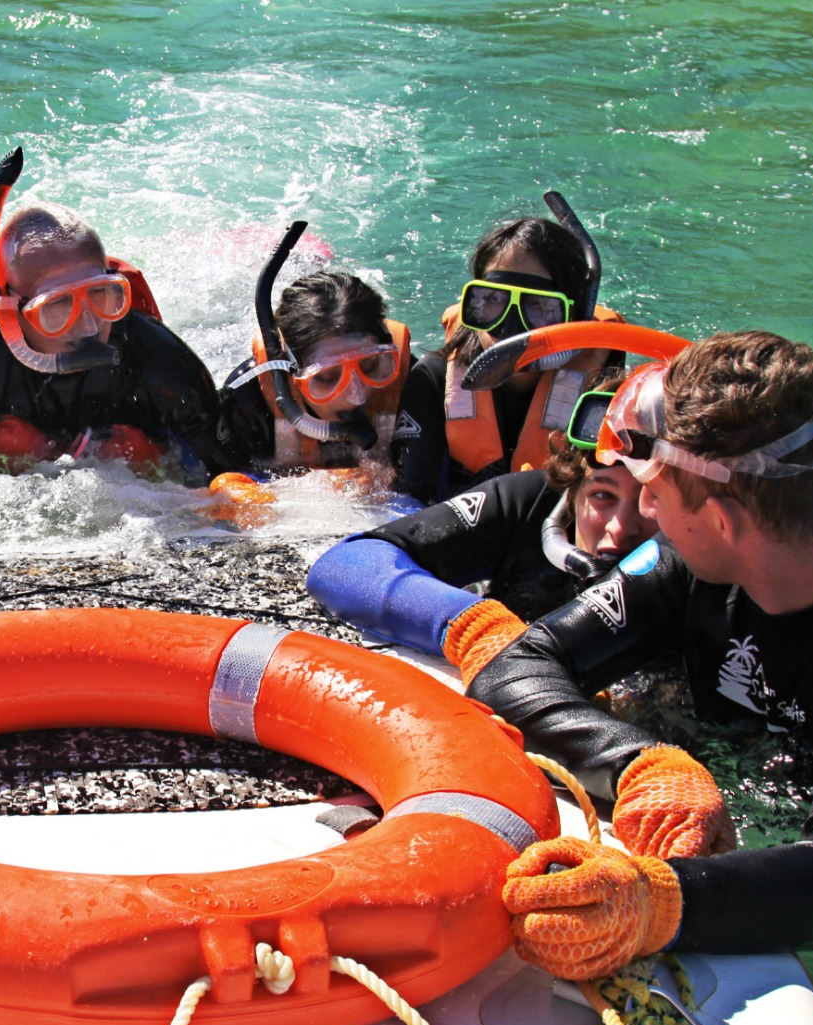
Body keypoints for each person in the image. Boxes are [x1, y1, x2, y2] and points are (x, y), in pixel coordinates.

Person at [469, 332, 813, 978]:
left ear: (722, 521)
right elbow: (511, 672)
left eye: (654, 491)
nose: (645, 510)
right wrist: (643, 764)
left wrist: (657, 904)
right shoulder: (687, 566)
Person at [0, 147, 239, 489]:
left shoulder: (157, 360)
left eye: (101, 296)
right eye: (59, 306)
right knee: (6, 443)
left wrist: (161, 463)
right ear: (13, 310)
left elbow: (232, 467)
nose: (88, 324)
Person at [306, 370, 655, 681]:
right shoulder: (532, 504)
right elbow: (343, 567)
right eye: (603, 497)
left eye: (649, 498)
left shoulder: (704, 565)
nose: (622, 528)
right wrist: (479, 630)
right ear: (574, 490)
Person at [392, 195, 624, 505]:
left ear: (575, 314)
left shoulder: (603, 388)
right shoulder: (433, 381)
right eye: (492, 300)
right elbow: (407, 504)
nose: (510, 327)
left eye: (539, 306)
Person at [210, 222, 416, 516]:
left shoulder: (414, 383)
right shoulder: (248, 400)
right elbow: (203, 477)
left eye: (370, 366)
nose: (356, 395)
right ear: (292, 376)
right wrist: (237, 492)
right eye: (328, 377)